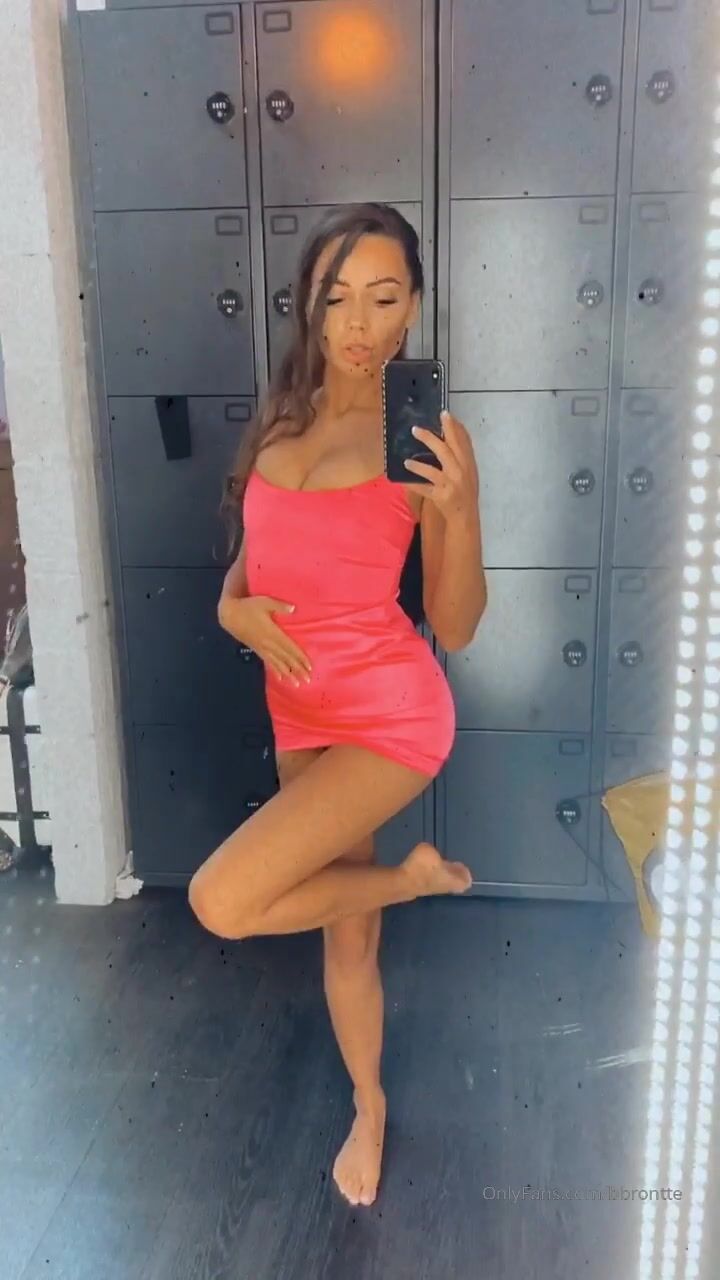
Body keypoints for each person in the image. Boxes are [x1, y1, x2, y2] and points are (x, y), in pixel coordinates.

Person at [188, 202, 487, 1207]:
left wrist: (458, 512)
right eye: (337, 297)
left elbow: (457, 623)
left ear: (414, 308)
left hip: (391, 714)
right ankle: (370, 1103)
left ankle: (409, 881)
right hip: (299, 711)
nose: (359, 324)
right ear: (309, 306)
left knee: (223, 901)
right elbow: (248, 570)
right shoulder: (284, 418)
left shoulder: (428, 439)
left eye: (384, 297)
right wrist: (231, 613)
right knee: (345, 932)